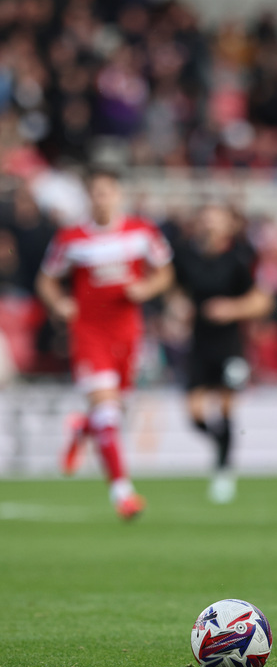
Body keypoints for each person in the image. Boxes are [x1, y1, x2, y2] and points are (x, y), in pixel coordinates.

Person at [36, 167, 174, 519]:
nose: (102, 198)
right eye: (95, 192)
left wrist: (146, 288)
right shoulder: (71, 238)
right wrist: (60, 303)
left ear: (118, 194)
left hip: (128, 332)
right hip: (89, 332)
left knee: (117, 410)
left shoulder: (142, 232)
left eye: (107, 191)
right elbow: (47, 280)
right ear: (88, 197)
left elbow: (165, 273)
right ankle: (122, 493)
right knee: (109, 411)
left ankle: (81, 428)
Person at [171, 203, 273, 504]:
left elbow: (262, 301)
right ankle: (222, 450)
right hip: (198, 344)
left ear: (229, 226)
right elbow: (175, 290)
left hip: (230, 345)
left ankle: (224, 472)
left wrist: (231, 309)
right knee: (194, 414)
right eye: (206, 218)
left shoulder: (240, 259)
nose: (210, 224)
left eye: (217, 219)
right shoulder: (187, 257)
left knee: (226, 408)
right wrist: (177, 307)